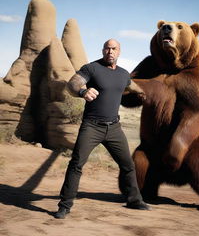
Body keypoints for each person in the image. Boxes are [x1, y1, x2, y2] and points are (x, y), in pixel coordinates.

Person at [55, 39, 151, 219]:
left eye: (114, 49)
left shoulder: (123, 74)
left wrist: (143, 93)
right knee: (76, 164)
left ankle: (134, 200)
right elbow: (71, 84)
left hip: (114, 128)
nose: (110, 51)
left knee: (128, 165)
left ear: (119, 52)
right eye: (107, 48)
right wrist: (83, 92)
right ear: (102, 50)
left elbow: (131, 85)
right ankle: (65, 205)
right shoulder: (91, 68)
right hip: (92, 126)